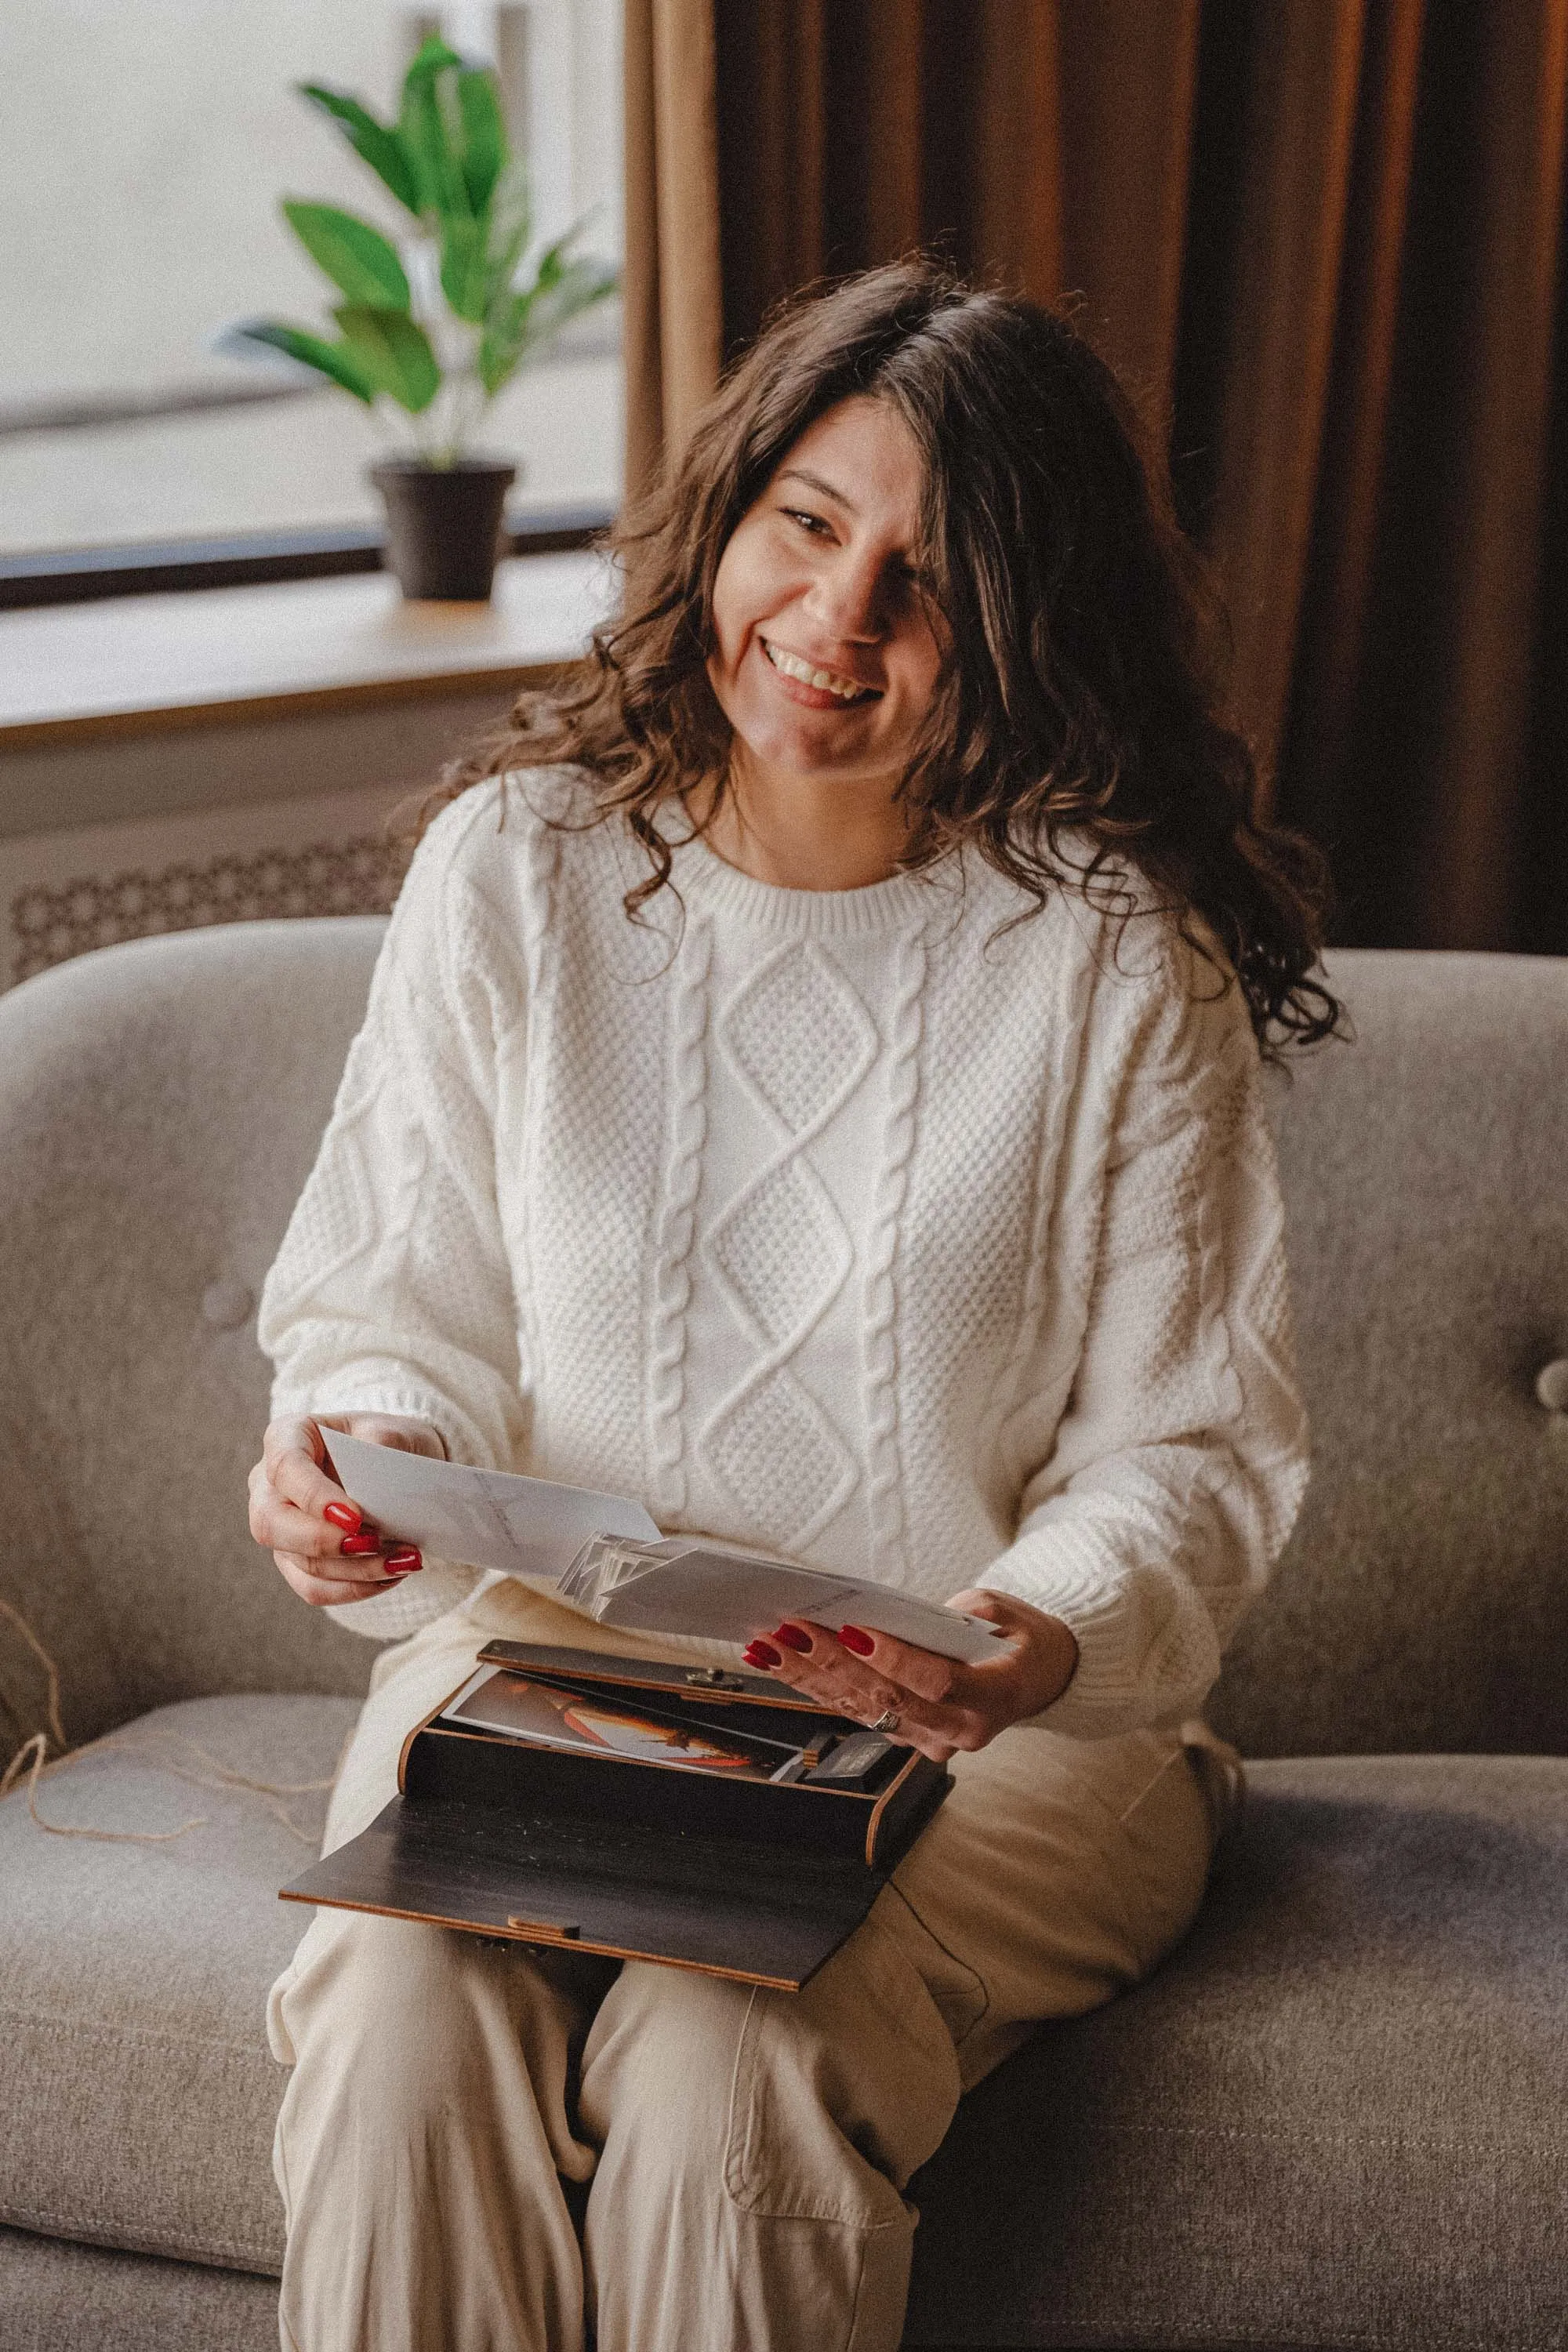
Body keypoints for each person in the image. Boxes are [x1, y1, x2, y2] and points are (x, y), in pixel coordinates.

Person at [249, 259, 1338, 2352]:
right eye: (808, 526)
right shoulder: (521, 871)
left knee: (721, 2048)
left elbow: (1185, 1449)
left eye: (924, 582)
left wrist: (1036, 1636)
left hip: (996, 1742)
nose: (836, 625)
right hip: (545, 1674)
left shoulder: (1115, 957)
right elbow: (395, 1306)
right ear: (725, 515)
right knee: (397, 2007)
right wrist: (358, 1468)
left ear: (1026, 625)